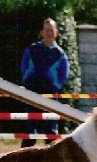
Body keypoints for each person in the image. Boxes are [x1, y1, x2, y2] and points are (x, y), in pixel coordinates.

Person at [19, 18, 70, 147]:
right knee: (30, 129)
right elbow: (24, 67)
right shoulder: (31, 49)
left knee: (51, 130)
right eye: (46, 30)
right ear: (41, 33)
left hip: (51, 94)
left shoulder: (60, 54)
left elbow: (64, 75)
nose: (49, 33)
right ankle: (24, 160)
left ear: (56, 32)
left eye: (51, 30)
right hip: (32, 92)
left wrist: (55, 85)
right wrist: (27, 81)